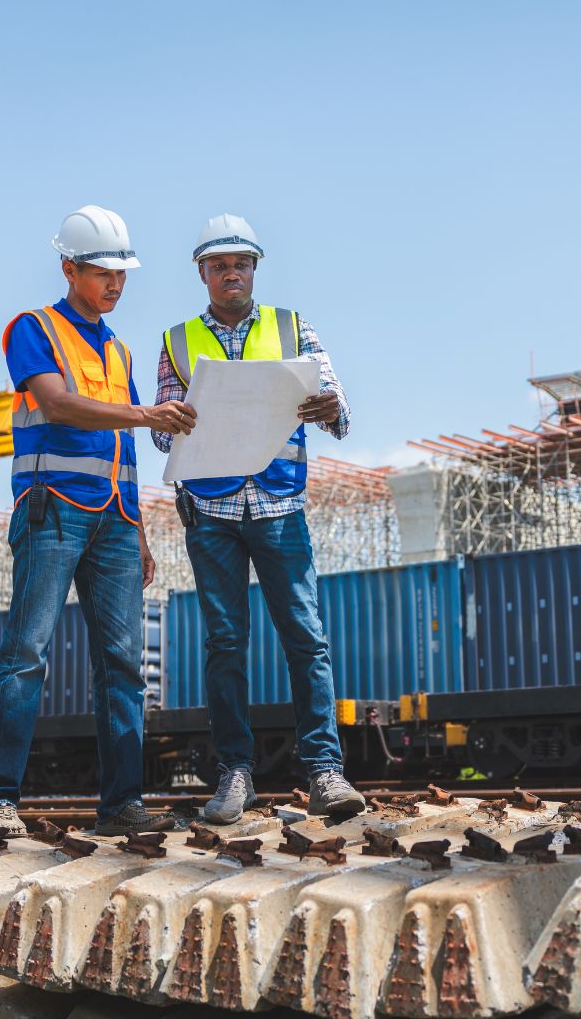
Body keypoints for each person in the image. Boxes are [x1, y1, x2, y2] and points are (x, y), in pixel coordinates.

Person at [0, 205, 196, 837]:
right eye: (104, 273)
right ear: (69, 268)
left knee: (124, 666)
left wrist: (141, 530)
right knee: (26, 654)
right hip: (53, 511)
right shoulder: (33, 328)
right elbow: (59, 406)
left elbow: (121, 454)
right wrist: (149, 415)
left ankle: (122, 804)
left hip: (116, 522)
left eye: (123, 274)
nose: (117, 285)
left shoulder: (119, 349)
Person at [153, 213, 366, 822]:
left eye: (241, 263)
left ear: (255, 269)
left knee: (306, 638)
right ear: (203, 274)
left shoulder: (292, 328)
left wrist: (327, 406)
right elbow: (163, 439)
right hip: (212, 510)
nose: (232, 274)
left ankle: (325, 772)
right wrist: (175, 419)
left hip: (279, 505)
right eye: (220, 266)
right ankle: (235, 775)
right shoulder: (176, 341)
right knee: (226, 644)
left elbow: (340, 411)